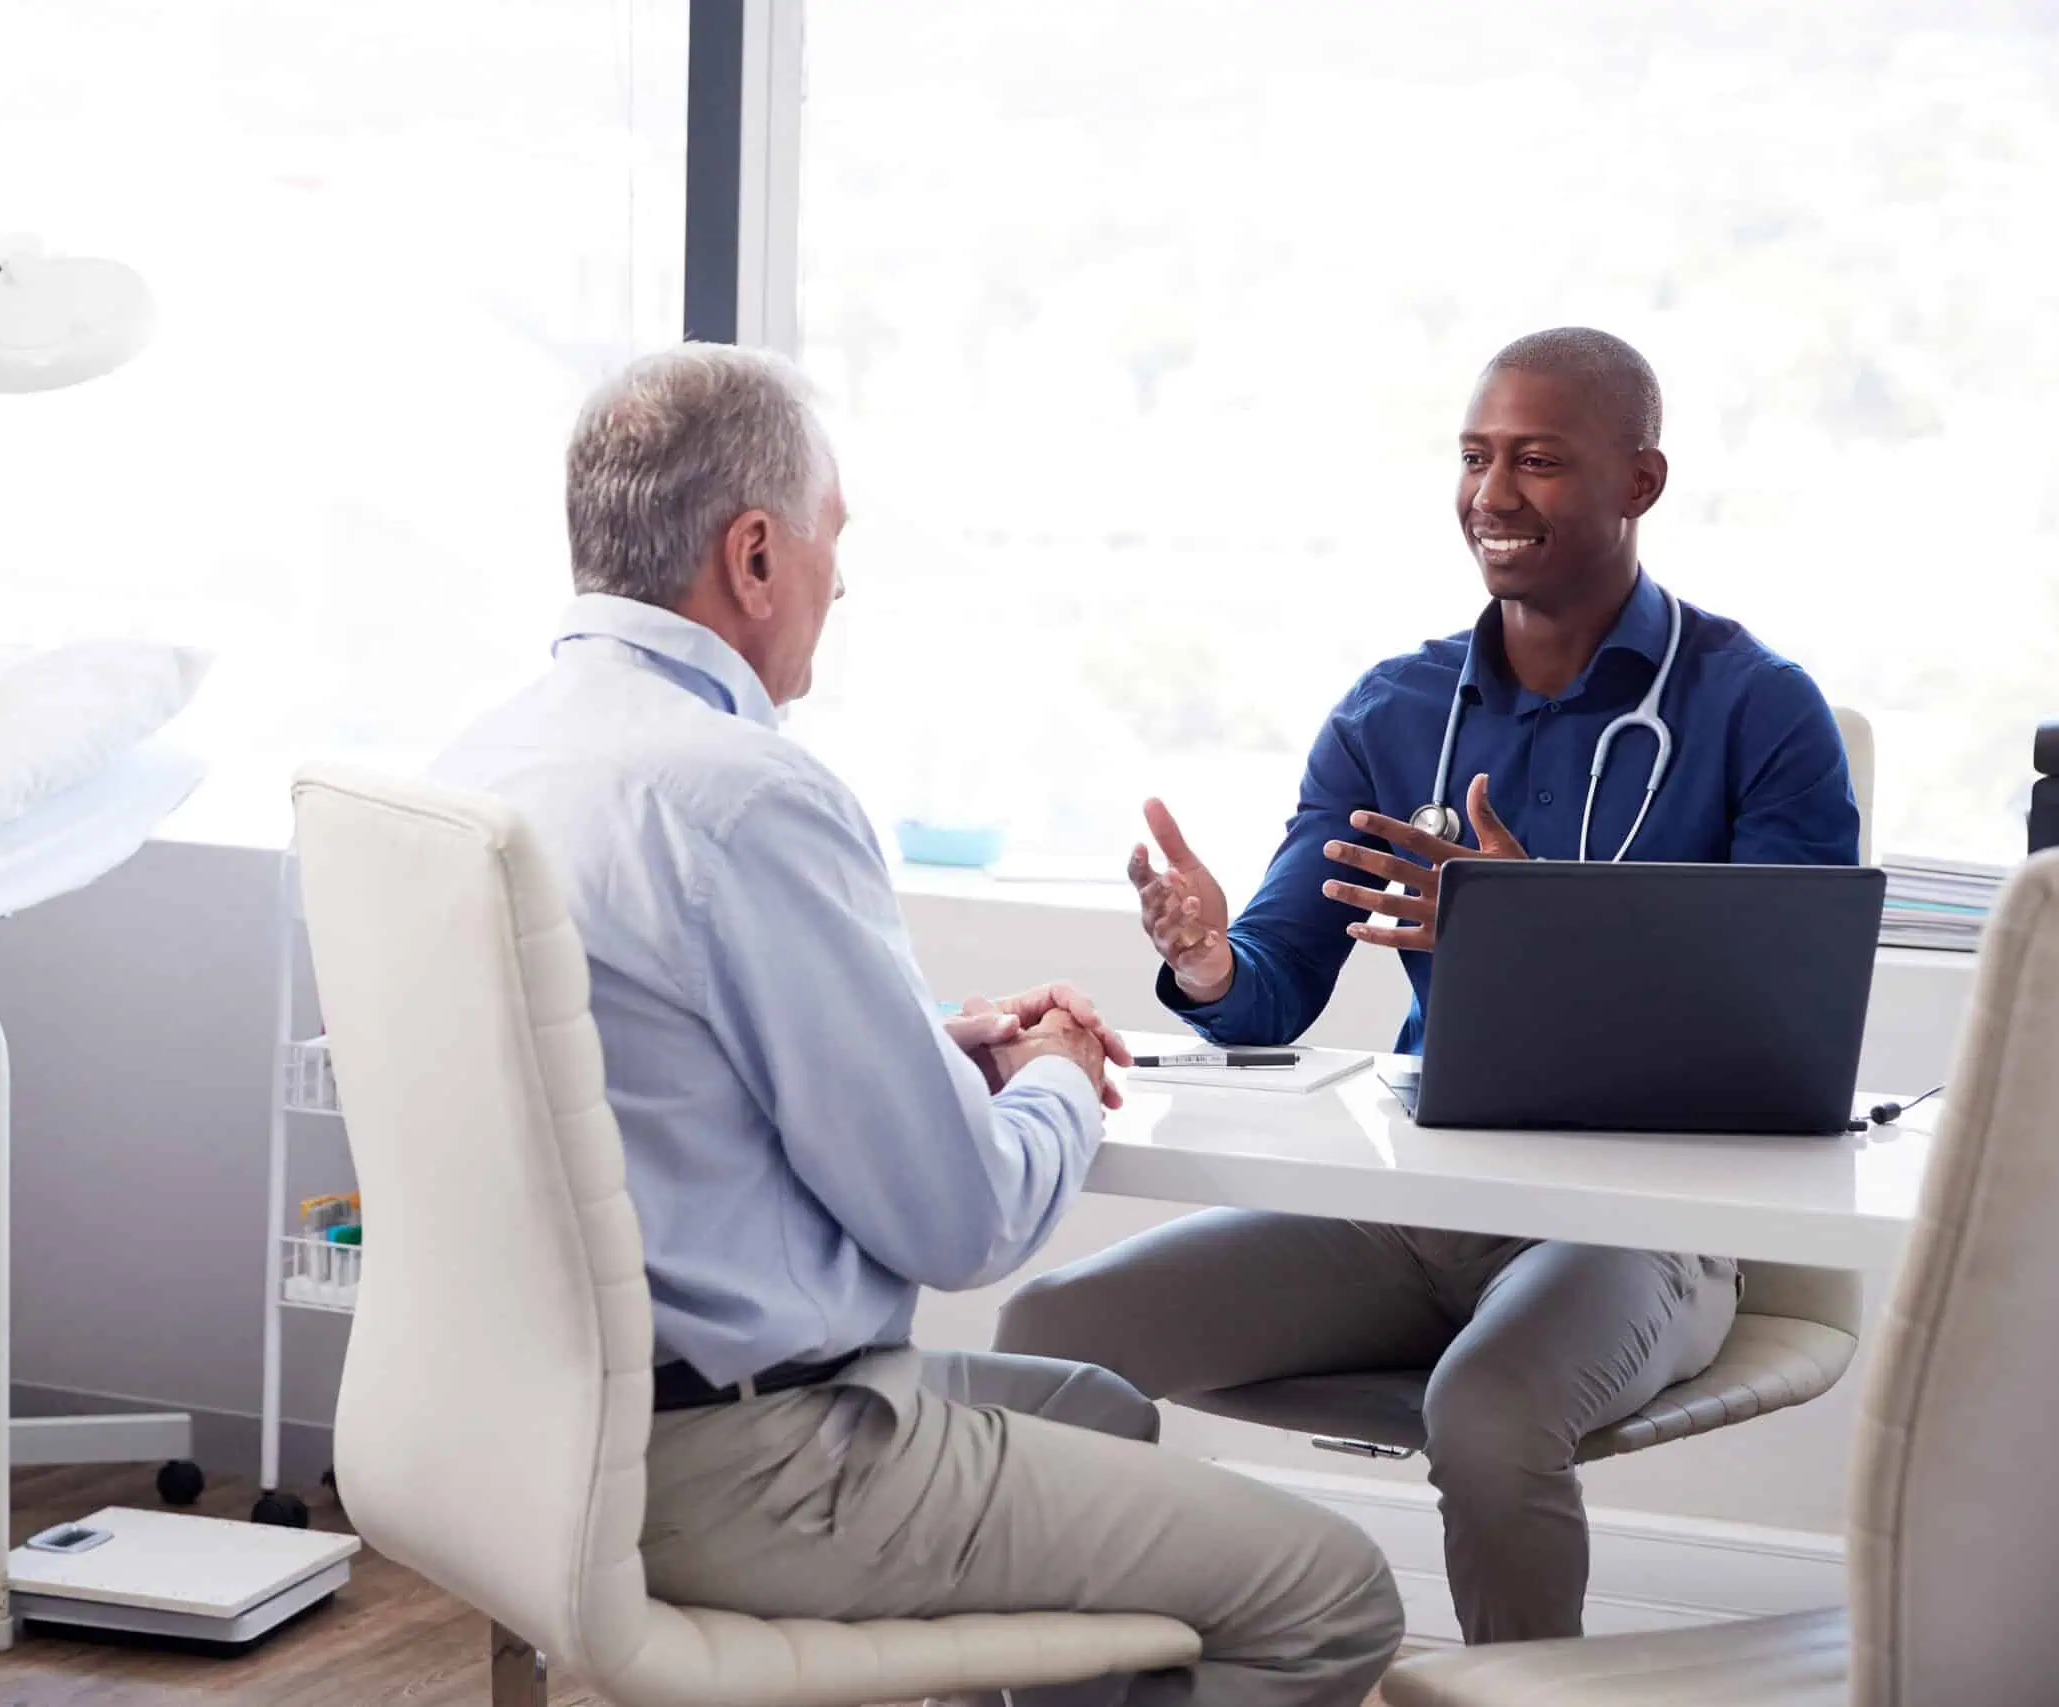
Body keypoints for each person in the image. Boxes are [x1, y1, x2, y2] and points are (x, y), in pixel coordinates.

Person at [431, 344, 1403, 1707]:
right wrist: (1058, 1072)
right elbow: (964, 1222)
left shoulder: (487, 758)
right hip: (759, 1471)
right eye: (833, 541)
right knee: (1332, 1590)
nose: (842, 579)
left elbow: (630, 1081)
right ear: (756, 555)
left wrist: (921, 1050)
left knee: (1102, 1410)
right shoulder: (742, 795)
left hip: (533, 1439)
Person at [995, 328, 1860, 1647]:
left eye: (1539, 460)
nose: (1493, 493)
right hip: (1417, 1210)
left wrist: (1537, 933)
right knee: (1051, 1333)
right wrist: (1207, 956)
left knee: (1490, 1408)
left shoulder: (1758, 712)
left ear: (1641, 480)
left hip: (1642, 1227)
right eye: (1474, 457)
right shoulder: (1395, 710)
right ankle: (1103, 1671)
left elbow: (1781, 1035)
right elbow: (1274, 985)